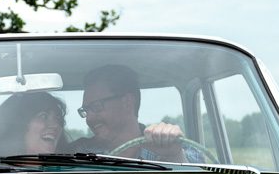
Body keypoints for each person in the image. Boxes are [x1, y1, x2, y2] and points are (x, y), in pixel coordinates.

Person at [67, 63, 204, 163]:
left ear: (127, 102)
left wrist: (174, 156)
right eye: (85, 110)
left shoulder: (176, 146)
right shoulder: (78, 152)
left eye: (96, 107)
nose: (89, 118)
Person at [0, 91, 67, 162]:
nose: (56, 125)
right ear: (18, 126)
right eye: (43, 116)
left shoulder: (69, 170)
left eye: (57, 118)